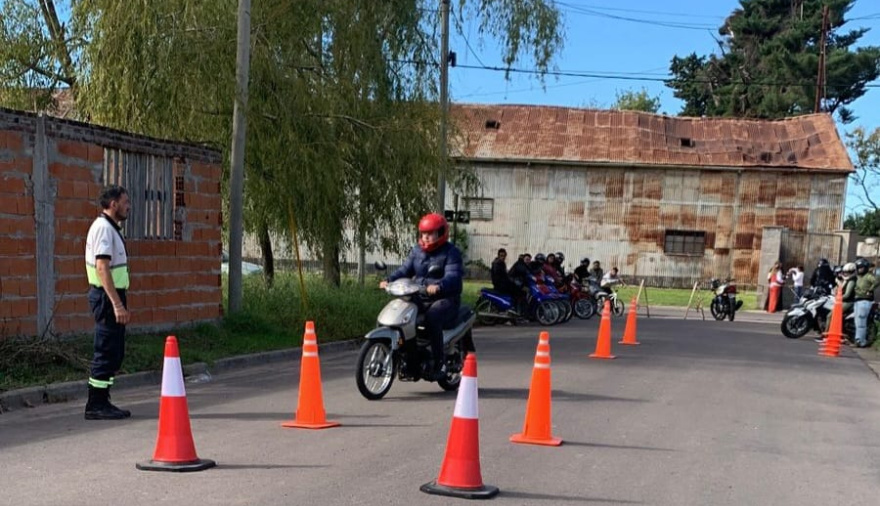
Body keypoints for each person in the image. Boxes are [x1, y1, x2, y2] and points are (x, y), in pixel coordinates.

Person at [380, 213, 463, 380]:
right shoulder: (417, 250)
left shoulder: (451, 252)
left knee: (433, 317)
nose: (426, 237)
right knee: (400, 313)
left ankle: (439, 363)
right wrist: (389, 280)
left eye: (430, 233)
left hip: (444, 298)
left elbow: (453, 276)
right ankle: (406, 354)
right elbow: (405, 270)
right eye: (423, 233)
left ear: (441, 233)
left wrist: (439, 286)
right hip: (419, 295)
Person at [84, 185, 133, 420]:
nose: (128, 206)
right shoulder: (104, 228)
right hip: (107, 297)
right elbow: (102, 268)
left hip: (111, 296)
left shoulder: (110, 228)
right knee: (105, 350)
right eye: (125, 202)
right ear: (113, 204)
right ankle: (96, 404)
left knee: (114, 351)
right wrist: (117, 304)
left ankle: (103, 400)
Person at [853, 258, 879, 348]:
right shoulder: (858, 277)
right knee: (857, 322)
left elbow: (877, 281)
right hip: (857, 300)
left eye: (861, 268)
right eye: (858, 268)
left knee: (861, 322)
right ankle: (858, 339)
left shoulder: (868, 276)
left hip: (865, 301)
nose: (860, 269)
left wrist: (870, 290)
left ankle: (861, 341)